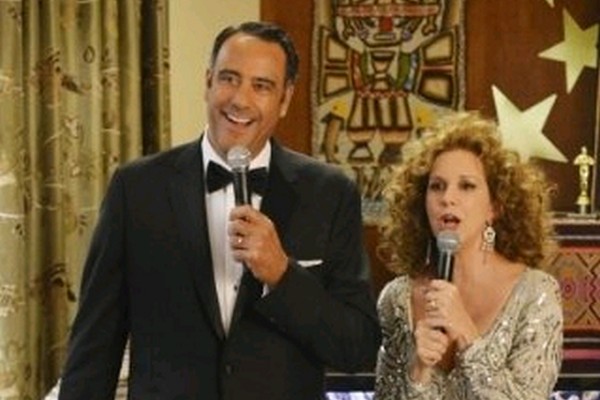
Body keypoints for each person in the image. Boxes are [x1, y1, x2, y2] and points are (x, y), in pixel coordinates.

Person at [58, 21, 381, 400]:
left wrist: (282, 275)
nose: (240, 100)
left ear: (285, 99)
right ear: (208, 82)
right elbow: (94, 347)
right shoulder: (138, 189)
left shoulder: (329, 193)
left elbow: (356, 346)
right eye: (229, 79)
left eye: (261, 86)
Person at [374, 112, 563, 399]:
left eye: (466, 186)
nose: (447, 198)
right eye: (437, 186)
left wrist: (467, 335)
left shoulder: (536, 294)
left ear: (495, 206)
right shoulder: (397, 299)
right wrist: (418, 371)